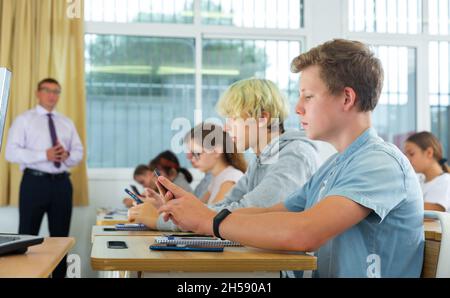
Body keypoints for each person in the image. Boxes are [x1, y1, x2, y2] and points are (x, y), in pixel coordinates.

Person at [155, 39, 424, 278]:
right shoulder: (335, 165)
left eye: (308, 96)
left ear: (346, 98)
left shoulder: (379, 162)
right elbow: (272, 211)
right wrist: (199, 212)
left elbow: (303, 232)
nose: (297, 108)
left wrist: (208, 221)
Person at [128, 78, 320, 233]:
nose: (226, 127)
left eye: (233, 118)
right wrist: (173, 210)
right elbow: (225, 205)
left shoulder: (295, 155)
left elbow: (246, 212)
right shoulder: (262, 160)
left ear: (263, 118)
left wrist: (161, 220)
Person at [5, 78, 83, 278]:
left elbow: (78, 152)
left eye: (57, 91)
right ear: (38, 93)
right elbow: (10, 153)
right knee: (25, 237)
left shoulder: (66, 123)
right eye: (48, 90)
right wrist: (44, 155)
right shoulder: (24, 120)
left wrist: (66, 156)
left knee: (60, 239)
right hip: (34, 183)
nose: (52, 95)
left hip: (62, 185)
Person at [185, 123, 247, 205]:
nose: (191, 159)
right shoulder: (217, 178)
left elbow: (211, 215)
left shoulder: (231, 179)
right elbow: (197, 208)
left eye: (196, 153)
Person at [404, 131, 450, 212]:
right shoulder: (419, 180)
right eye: (406, 155)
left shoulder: (445, 181)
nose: (407, 160)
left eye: (411, 154)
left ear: (429, 152)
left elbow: (433, 212)